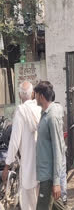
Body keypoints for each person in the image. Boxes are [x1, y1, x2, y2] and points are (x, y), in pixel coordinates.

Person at [2, 81, 41, 210]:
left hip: (28, 166)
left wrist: (7, 166)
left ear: (19, 95)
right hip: (42, 165)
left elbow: (14, 141)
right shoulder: (40, 108)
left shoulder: (21, 111)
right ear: (33, 94)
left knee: (27, 204)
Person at [34, 81, 65, 209]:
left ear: (41, 96)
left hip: (49, 176)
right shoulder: (45, 114)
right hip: (45, 175)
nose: (34, 97)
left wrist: (56, 182)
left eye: (35, 94)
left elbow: (58, 149)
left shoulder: (52, 117)